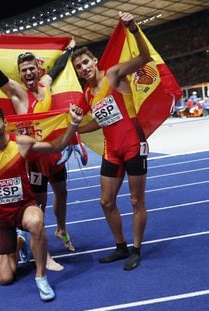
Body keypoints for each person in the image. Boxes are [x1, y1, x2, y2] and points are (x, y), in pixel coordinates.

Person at [0, 31, 78, 270]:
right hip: (33, 157)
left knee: (62, 192)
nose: (28, 73)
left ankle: (61, 228)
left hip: (53, 152)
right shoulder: (17, 92)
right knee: (38, 206)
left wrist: (69, 50)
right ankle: (44, 252)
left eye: (32, 68)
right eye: (24, 70)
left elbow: (59, 68)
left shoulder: (46, 84)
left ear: (38, 69)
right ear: (19, 73)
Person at [0, 104, 83, 301]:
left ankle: (41, 277)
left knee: (36, 222)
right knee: (5, 278)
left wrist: (74, 123)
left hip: (24, 208)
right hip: (0, 218)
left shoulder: (21, 144)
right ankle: (20, 241)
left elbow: (56, 146)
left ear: (5, 123)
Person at [71, 12, 151, 271]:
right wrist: (78, 130)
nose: (84, 68)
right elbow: (101, 121)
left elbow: (144, 58)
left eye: (86, 62)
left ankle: (136, 249)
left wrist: (134, 29)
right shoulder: (87, 93)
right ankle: (121, 247)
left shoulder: (113, 75)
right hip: (111, 149)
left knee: (136, 201)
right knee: (106, 202)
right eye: (79, 67)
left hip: (132, 144)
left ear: (95, 61)